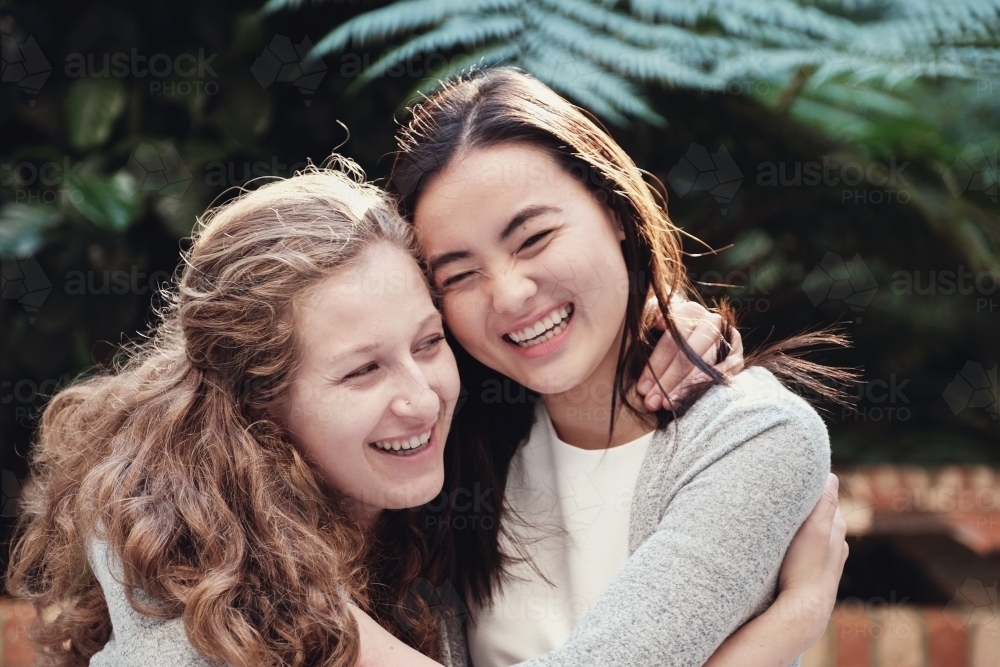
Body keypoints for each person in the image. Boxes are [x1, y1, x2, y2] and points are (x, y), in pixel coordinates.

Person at [6, 163, 844, 667]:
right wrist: (791, 625)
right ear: (260, 397)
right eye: (362, 369)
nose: (419, 396)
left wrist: (649, 321)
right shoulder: (178, 563)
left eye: (429, 340)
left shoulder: (415, 501)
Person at [386, 67, 853, 667]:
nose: (508, 294)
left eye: (533, 239)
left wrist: (330, 618)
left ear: (614, 211)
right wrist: (789, 626)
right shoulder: (441, 450)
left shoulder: (757, 436)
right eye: (459, 275)